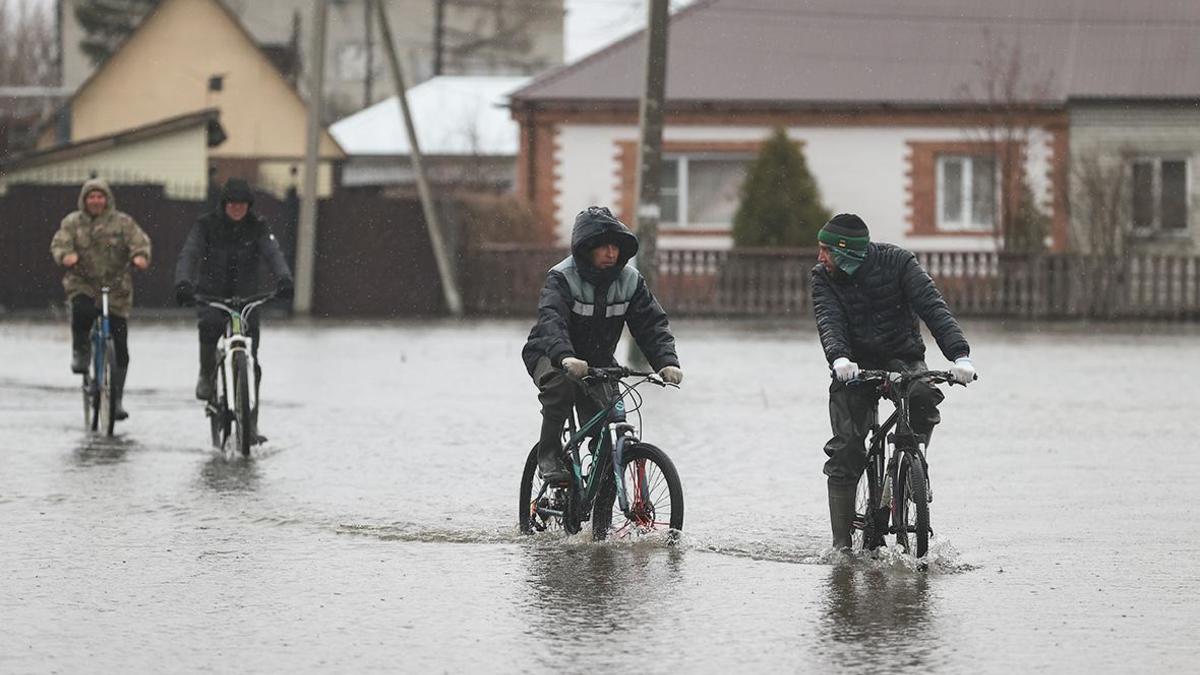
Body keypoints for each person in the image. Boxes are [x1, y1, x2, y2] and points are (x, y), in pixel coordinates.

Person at [810, 213, 976, 551]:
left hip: (903, 357)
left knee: (924, 398)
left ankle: (915, 463)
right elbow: (829, 319)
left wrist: (960, 356)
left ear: (846, 252)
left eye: (826, 250)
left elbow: (933, 308)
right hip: (853, 366)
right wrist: (840, 359)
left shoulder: (899, 263)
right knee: (847, 448)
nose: (820, 257)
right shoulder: (822, 278)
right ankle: (841, 546)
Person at [522, 206, 683, 483]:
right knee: (561, 388)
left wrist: (666, 361)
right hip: (550, 353)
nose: (612, 253)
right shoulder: (561, 277)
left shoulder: (631, 281)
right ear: (587, 249)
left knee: (612, 418)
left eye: (616, 247)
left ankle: (602, 491)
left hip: (598, 361)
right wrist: (565, 356)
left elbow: (650, 324)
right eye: (604, 247)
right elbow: (552, 321)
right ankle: (548, 456)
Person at [173, 179, 293, 437]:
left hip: (247, 298)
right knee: (210, 325)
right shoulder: (205, 226)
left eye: (242, 205)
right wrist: (183, 283)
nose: (237, 209)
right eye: (232, 204)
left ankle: (251, 423)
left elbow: (273, 254)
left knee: (252, 354)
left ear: (249, 206)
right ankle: (206, 374)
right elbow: (189, 254)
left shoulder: (258, 227)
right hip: (212, 295)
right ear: (224, 205)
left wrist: (284, 279)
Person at [50, 178, 152, 421]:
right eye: (91, 197)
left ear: (107, 199)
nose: (96, 201)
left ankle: (116, 399)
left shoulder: (123, 223)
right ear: (85, 200)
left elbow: (141, 243)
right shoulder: (73, 222)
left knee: (121, 346)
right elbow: (59, 244)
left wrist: (140, 257)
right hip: (83, 282)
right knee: (82, 311)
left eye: (100, 196)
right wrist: (66, 256)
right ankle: (81, 351)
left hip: (115, 287)